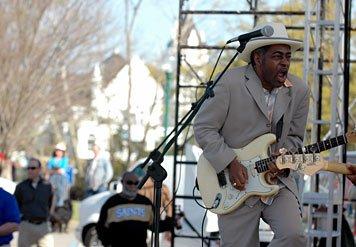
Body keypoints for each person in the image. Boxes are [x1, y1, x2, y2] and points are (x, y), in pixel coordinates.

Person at [193, 22, 309, 247]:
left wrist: (286, 158)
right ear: (258, 58)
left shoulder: (300, 90)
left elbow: (295, 137)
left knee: (294, 236)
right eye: (277, 56)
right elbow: (204, 128)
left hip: (278, 182)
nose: (285, 62)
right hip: (233, 184)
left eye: (287, 56)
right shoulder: (228, 82)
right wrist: (230, 162)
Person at [96, 171, 173, 247]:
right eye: (129, 182)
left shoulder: (145, 203)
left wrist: (172, 222)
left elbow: (156, 226)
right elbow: (100, 227)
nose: (133, 186)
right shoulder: (111, 203)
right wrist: (107, 243)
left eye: (136, 183)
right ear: (122, 183)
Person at [14, 157, 54, 247]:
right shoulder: (21, 187)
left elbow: (51, 203)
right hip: (26, 226)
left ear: (39, 169)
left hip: (44, 227)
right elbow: (15, 205)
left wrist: (50, 217)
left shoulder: (47, 186)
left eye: (33, 168)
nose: (30, 170)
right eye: (28, 168)